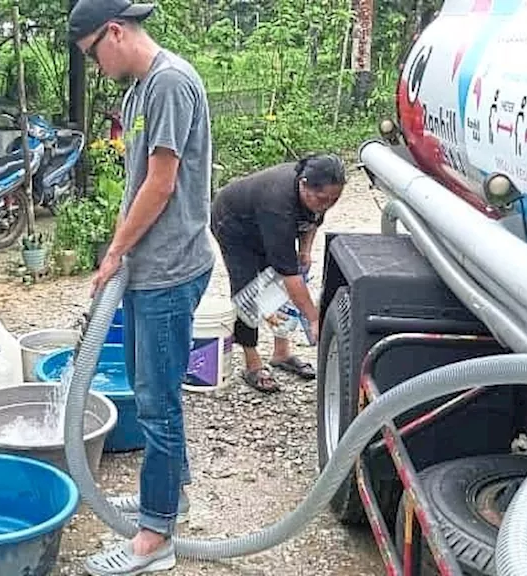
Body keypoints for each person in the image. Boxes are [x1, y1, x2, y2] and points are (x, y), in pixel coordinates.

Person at [70, 0, 215, 574]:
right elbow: (137, 182)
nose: (96, 65)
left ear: (114, 32)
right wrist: (121, 250)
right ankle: (168, 499)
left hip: (171, 269)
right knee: (145, 387)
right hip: (147, 268)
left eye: (93, 54)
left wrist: (114, 252)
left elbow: (161, 183)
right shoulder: (139, 90)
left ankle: (156, 539)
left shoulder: (170, 84)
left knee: (157, 405)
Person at [210, 154, 346, 393]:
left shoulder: (318, 196)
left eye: (334, 199)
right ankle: (252, 363)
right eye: (322, 198)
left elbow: (312, 221)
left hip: (264, 221)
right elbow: (289, 274)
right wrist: (314, 319)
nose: (327, 203)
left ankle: (281, 353)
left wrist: (305, 250)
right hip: (233, 223)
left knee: (278, 284)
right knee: (248, 290)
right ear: (303, 183)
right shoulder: (278, 204)